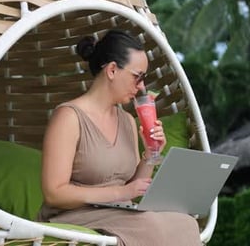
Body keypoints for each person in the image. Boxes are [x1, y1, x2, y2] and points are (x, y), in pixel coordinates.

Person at [36, 29, 202, 245]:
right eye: (137, 76)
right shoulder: (68, 117)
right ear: (112, 70)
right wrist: (121, 192)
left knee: (185, 222)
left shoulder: (127, 121)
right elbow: (54, 194)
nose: (142, 86)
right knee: (151, 227)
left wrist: (152, 153)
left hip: (117, 214)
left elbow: (131, 190)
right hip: (73, 216)